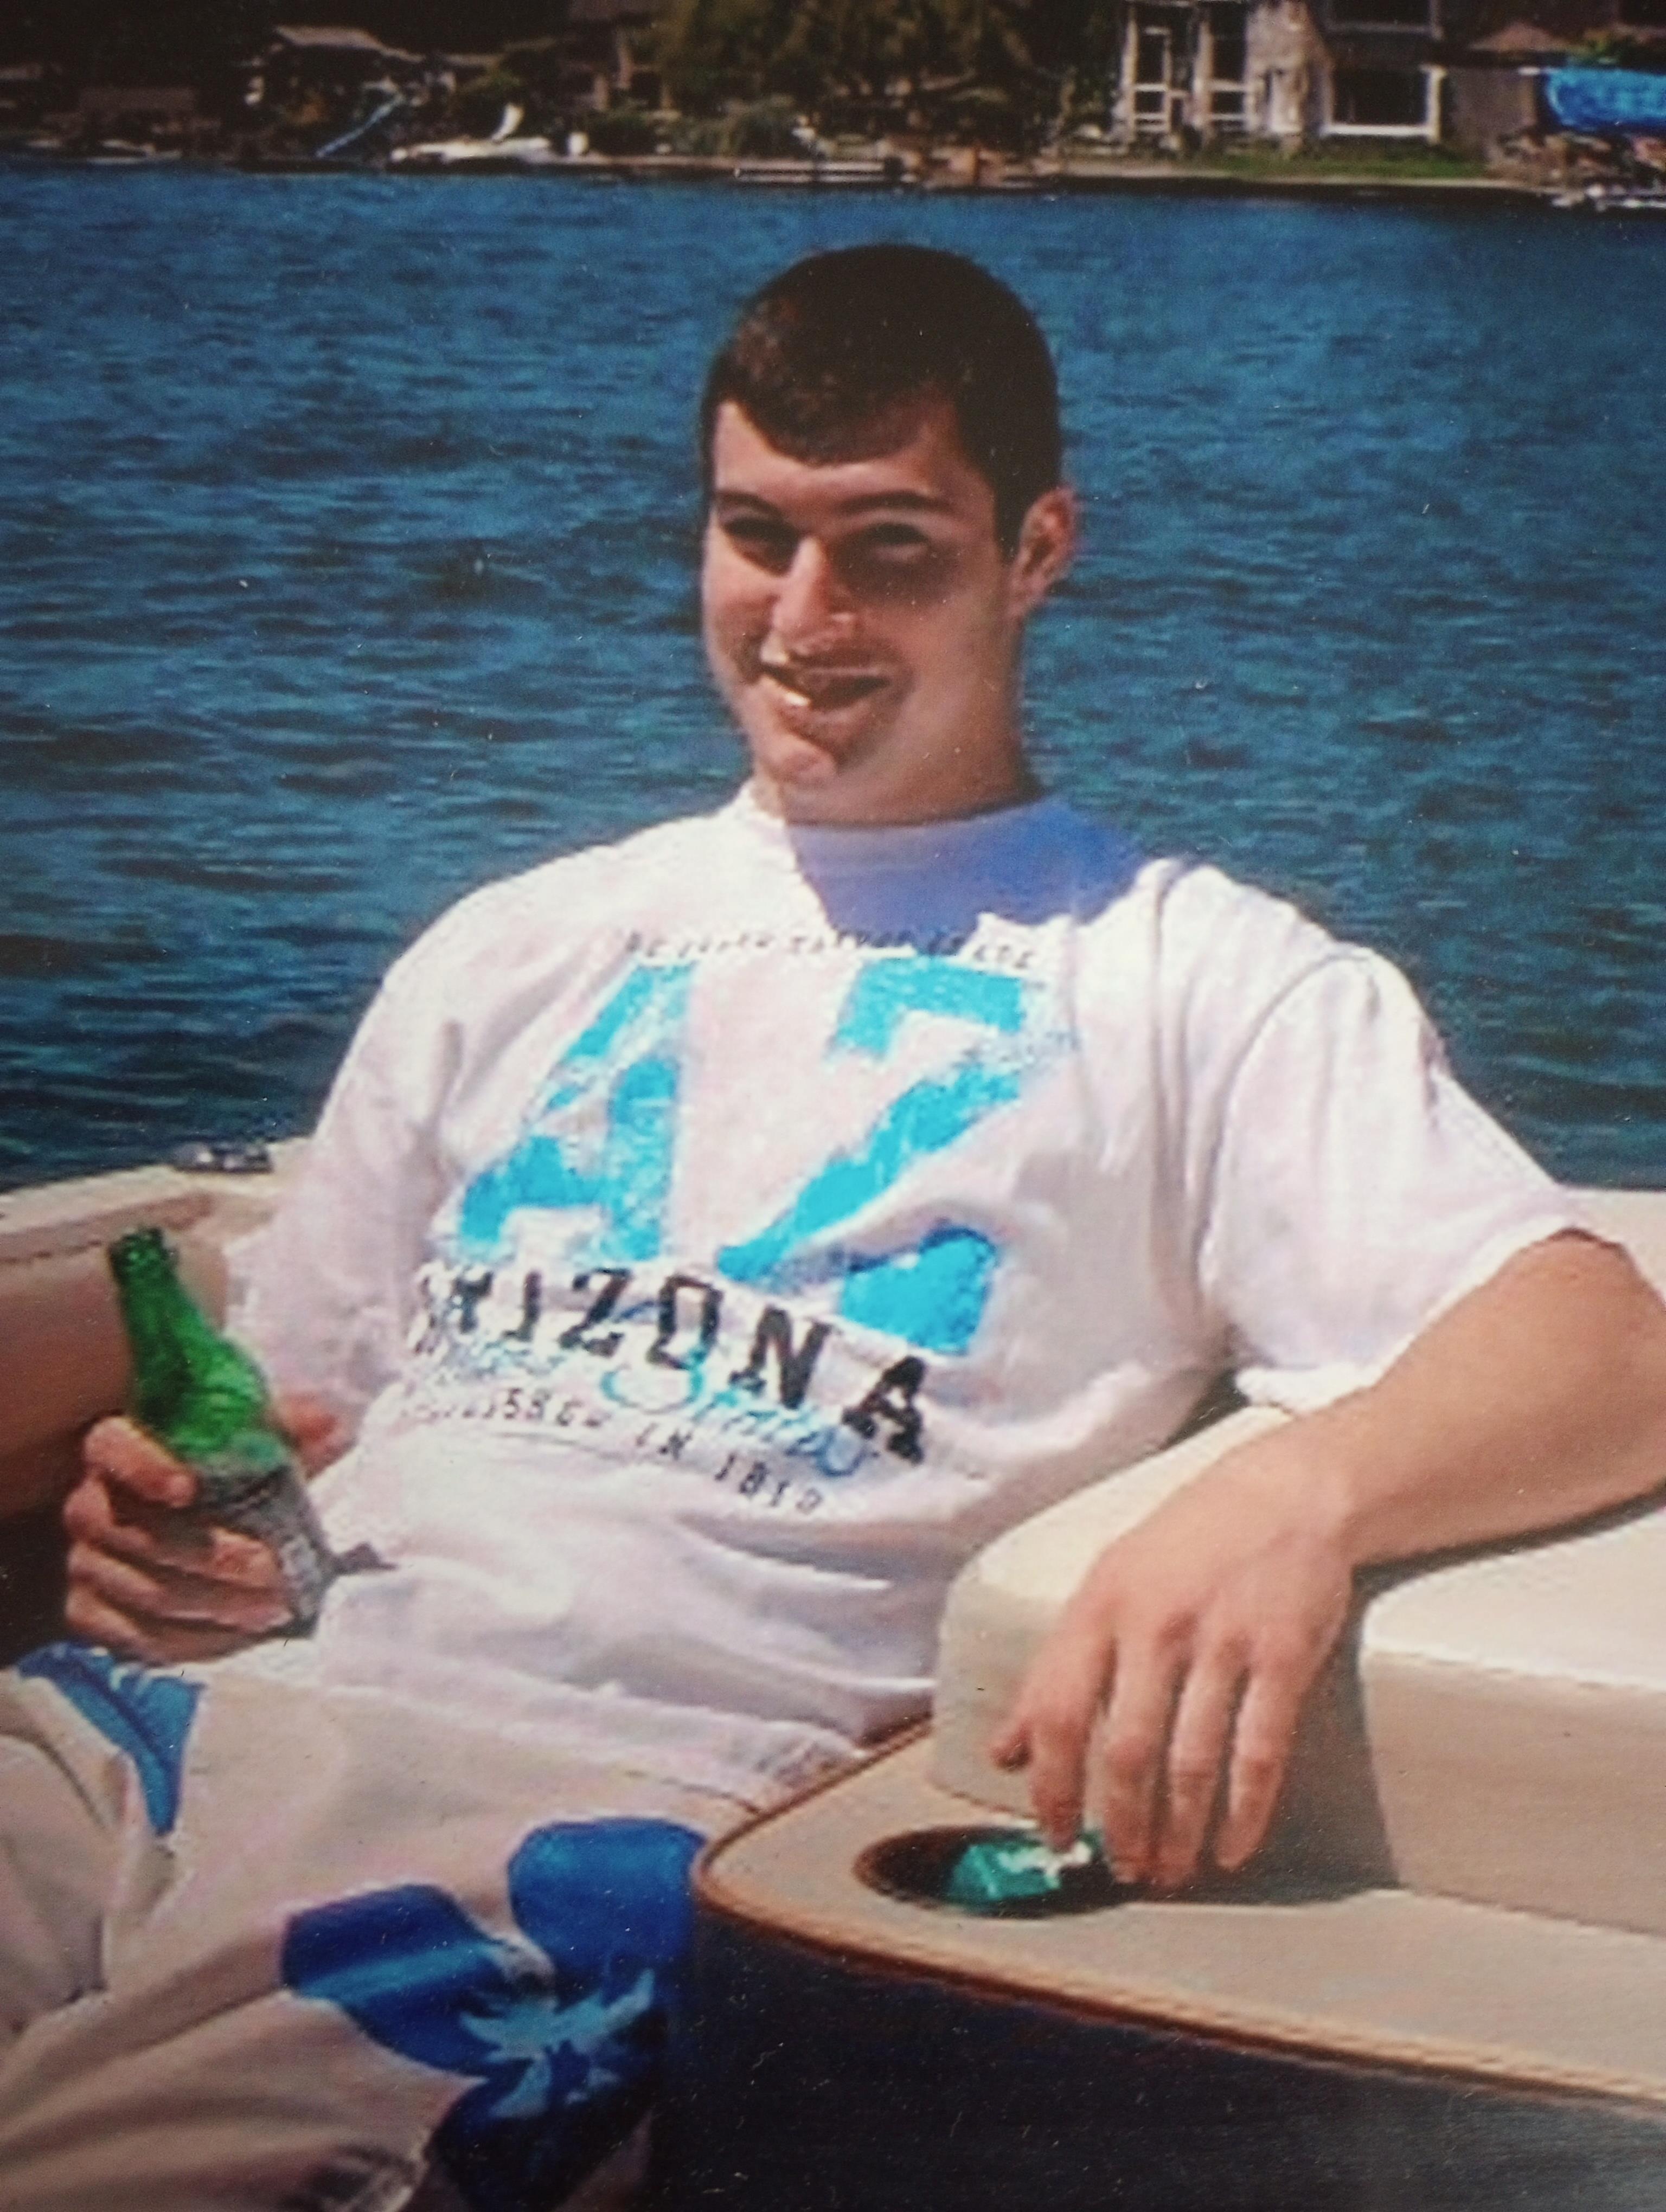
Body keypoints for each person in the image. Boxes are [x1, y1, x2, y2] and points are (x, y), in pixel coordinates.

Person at [3, 244, 1665, 2211]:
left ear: (1035, 551)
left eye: (891, 546)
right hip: (150, 1728)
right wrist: (159, 1525)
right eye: (754, 534)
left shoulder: (1197, 980)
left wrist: (1293, 1497)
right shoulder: (520, 942)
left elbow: (1595, 1343)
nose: (805, 618)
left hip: (559, 1820)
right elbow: (290, 1409)